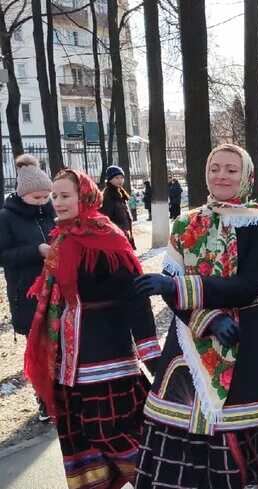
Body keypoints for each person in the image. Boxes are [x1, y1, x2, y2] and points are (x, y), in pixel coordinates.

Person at [134, 144, 258, 489]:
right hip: (189, 340)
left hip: (247, 341)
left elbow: (248, 285)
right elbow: (170, 290)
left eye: (231, 169)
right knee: (179, 434)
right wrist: (207, 320)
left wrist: (179, 287)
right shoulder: (186, 222)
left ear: (246, 176)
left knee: (245, 437)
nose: (222, 175)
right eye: (215, 168)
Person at [24, 169, 160, 489]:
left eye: (65, 195)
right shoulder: (61, 237)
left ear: (83, 195)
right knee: (80, 434)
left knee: (109, 429)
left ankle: (161, 479)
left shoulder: (106, 237)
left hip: (107, 357)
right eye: (54, 196)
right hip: (69, 361)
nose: (57, 202)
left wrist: (150, 350)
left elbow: (134, 295)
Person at [0, 154, 56, 421]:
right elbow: (4, 255)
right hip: (26, 294)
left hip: (56, 290)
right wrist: (37, 251)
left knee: (59, 347)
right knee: (39, 350)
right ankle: (44, 400)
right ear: (23, 194)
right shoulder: (6, 217)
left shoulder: (51, 211)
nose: (43, 202)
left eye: (47, 197)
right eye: (37, 198)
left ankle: (61, 396)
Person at [100, 165, 136, 249]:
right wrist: (121, 232)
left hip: (124, 238)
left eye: (121, 177)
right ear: (110, 179)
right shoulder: (108, 197)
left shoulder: (120, 194)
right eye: (116, 178)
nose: (120, 180)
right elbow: (105, 221)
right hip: (116, 241)